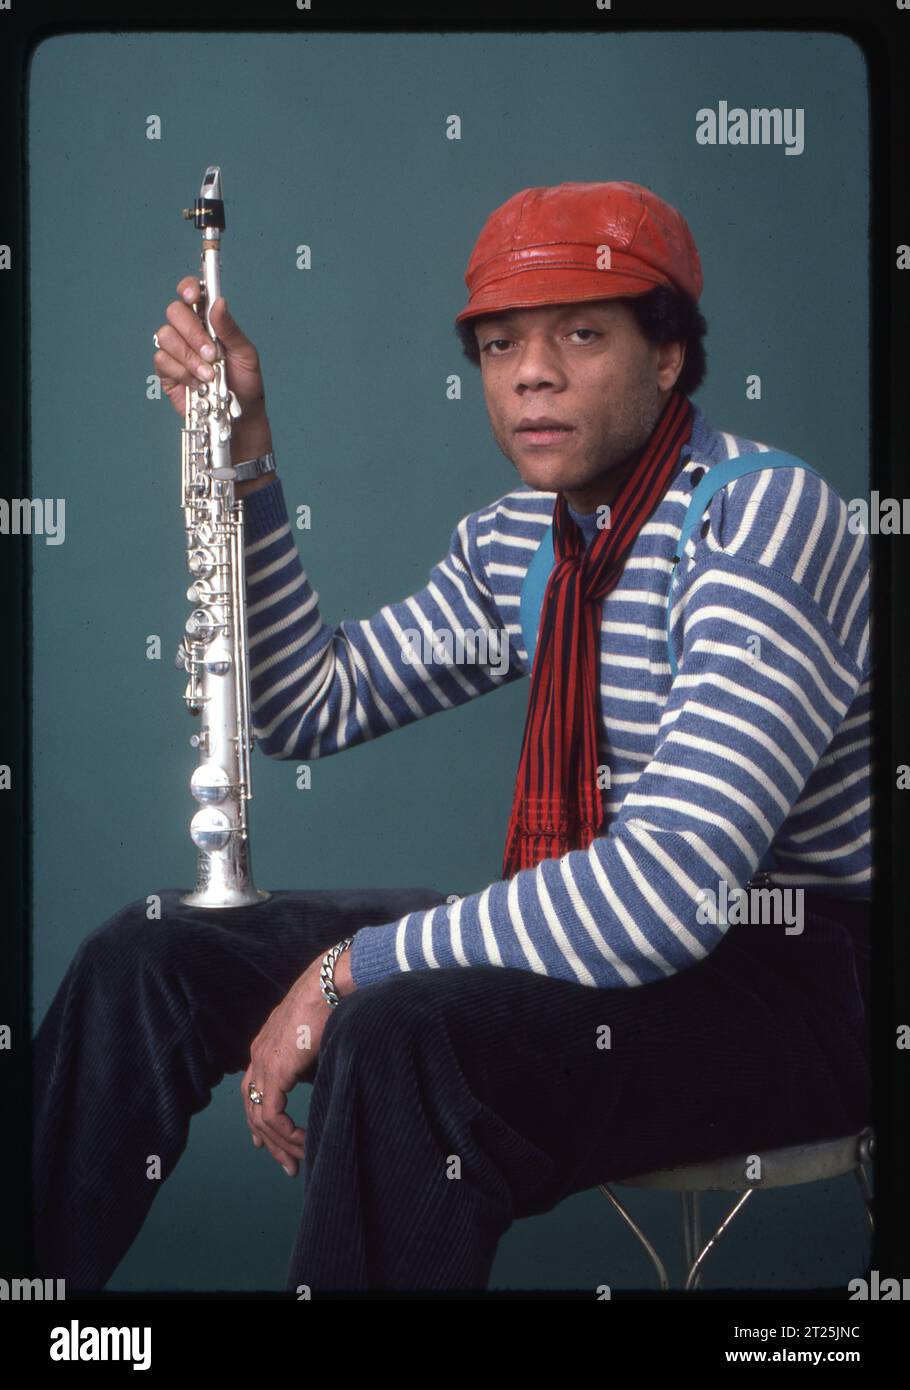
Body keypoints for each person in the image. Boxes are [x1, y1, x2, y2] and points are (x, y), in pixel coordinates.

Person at [32, 181, 871, 1294]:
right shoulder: (529, 538)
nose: (531, 371)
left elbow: (672, 891)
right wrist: (249, 457)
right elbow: (309, 704)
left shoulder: (757, 519)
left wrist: (342, 973)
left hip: (793, 978)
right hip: (600, 922)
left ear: (668, 354)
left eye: (580, 332)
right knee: (149, 956)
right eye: (500, 343)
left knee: (400, 1029)